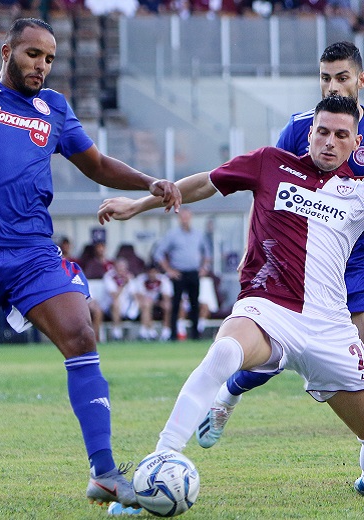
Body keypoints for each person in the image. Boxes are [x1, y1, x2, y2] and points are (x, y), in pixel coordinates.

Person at [98, 95, 364, 497]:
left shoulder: (358, 193)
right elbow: (205, 182)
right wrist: (138, 204)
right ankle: (160, 461)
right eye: (322, 131)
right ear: (310, 132)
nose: (329, 141)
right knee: (224, 352)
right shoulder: (270, 163)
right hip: (268, 309)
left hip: (329, 327)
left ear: (355, 143)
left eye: (341, 135)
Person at [0, 17, 181, 509]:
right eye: (32, 54)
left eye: (49, 58)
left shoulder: (54, 109)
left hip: (31, 251)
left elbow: (97, 165)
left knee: (80, 334)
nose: (41, 65)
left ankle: (104, 473)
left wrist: (148, 182)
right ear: (6, 51)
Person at [195, 40, 364, 450]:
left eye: (342, 77)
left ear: (361, 80)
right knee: (274, 353)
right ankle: (229, 393)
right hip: (300, 259)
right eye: (325, 78)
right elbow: (268, 189)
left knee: (357, 370)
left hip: (356, 261)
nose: (333, 87)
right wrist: (253, 252)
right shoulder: (301, 127)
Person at [153, 207, 212, 341]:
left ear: (191, 217)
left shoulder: (198, 234)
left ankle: (195, 335)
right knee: (176, 304)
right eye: (182, 217)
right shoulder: (172, 235)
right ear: (179, 218)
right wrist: (169, 270)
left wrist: (204, 268)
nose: (185, 219)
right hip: (178, 274)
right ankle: (173, 335)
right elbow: (159, 253)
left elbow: (207, 253)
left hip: (194, 272)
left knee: (194, 304)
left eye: (187, 217)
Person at [100, 257, 139, 340]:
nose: (121, 271)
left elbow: (135, 294)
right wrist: (123, 284)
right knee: (116, 303)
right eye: (119, 267)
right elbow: (114, 296)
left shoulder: (129, 276)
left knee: (146, 302)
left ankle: (146, 331)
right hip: (109, 306)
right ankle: (116, 331)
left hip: (127, 305)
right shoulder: (109, 276)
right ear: (115, 267)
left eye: (123, 268)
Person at [134, 263, 173, 341]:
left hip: (158, 302)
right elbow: (140, 297)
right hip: (145, 303)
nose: (152, 274)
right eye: (150, 272)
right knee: (146, 304)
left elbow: (167, 297)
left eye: (154, 272)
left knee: (167, 305)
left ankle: (166, 331)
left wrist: (159, 302)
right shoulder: (141, 279)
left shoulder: (163, 280)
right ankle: (148, 331)